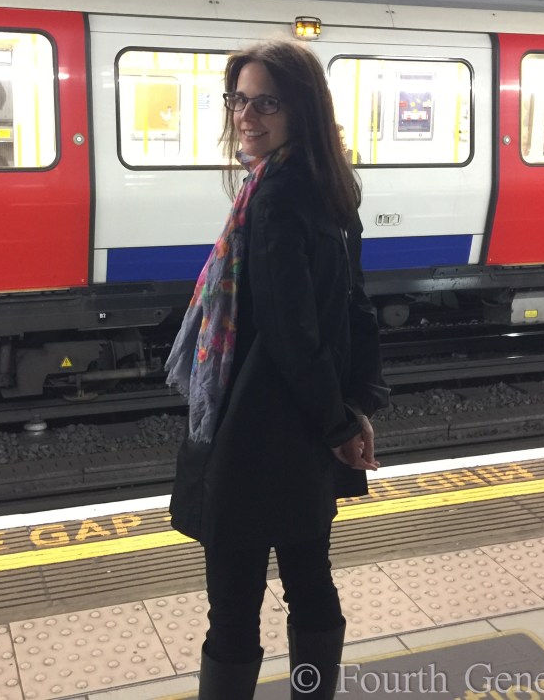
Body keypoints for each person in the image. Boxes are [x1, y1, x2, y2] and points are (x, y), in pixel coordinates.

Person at [166, 40, 389, 699]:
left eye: (266, 103)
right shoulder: (331, 186)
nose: (246, 115)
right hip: (307, 433)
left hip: (251, 434)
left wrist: (340, 421)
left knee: (233, 610)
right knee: (310, 583)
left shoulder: (270, 198)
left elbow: (292, 333)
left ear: (300, 109)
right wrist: (348, 413)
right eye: (238, 100)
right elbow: (353, 309)